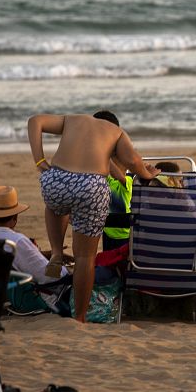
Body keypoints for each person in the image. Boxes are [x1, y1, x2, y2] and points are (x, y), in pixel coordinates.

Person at [27, 110, 159, 323]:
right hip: (91, 187)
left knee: (55, 206)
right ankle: (79, 316)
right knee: (85, 259)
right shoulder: (115, 132)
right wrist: (146, 173)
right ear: (112, 124)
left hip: (56, 178)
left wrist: (39, 159)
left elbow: (35, 121)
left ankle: (57, 251)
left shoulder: (73, 120)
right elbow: (132, 160)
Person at [0, 185, 64, 285]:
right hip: (19, 295)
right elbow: (48, 277)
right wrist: (67, 271)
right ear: (15, 218)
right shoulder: (17, 241)